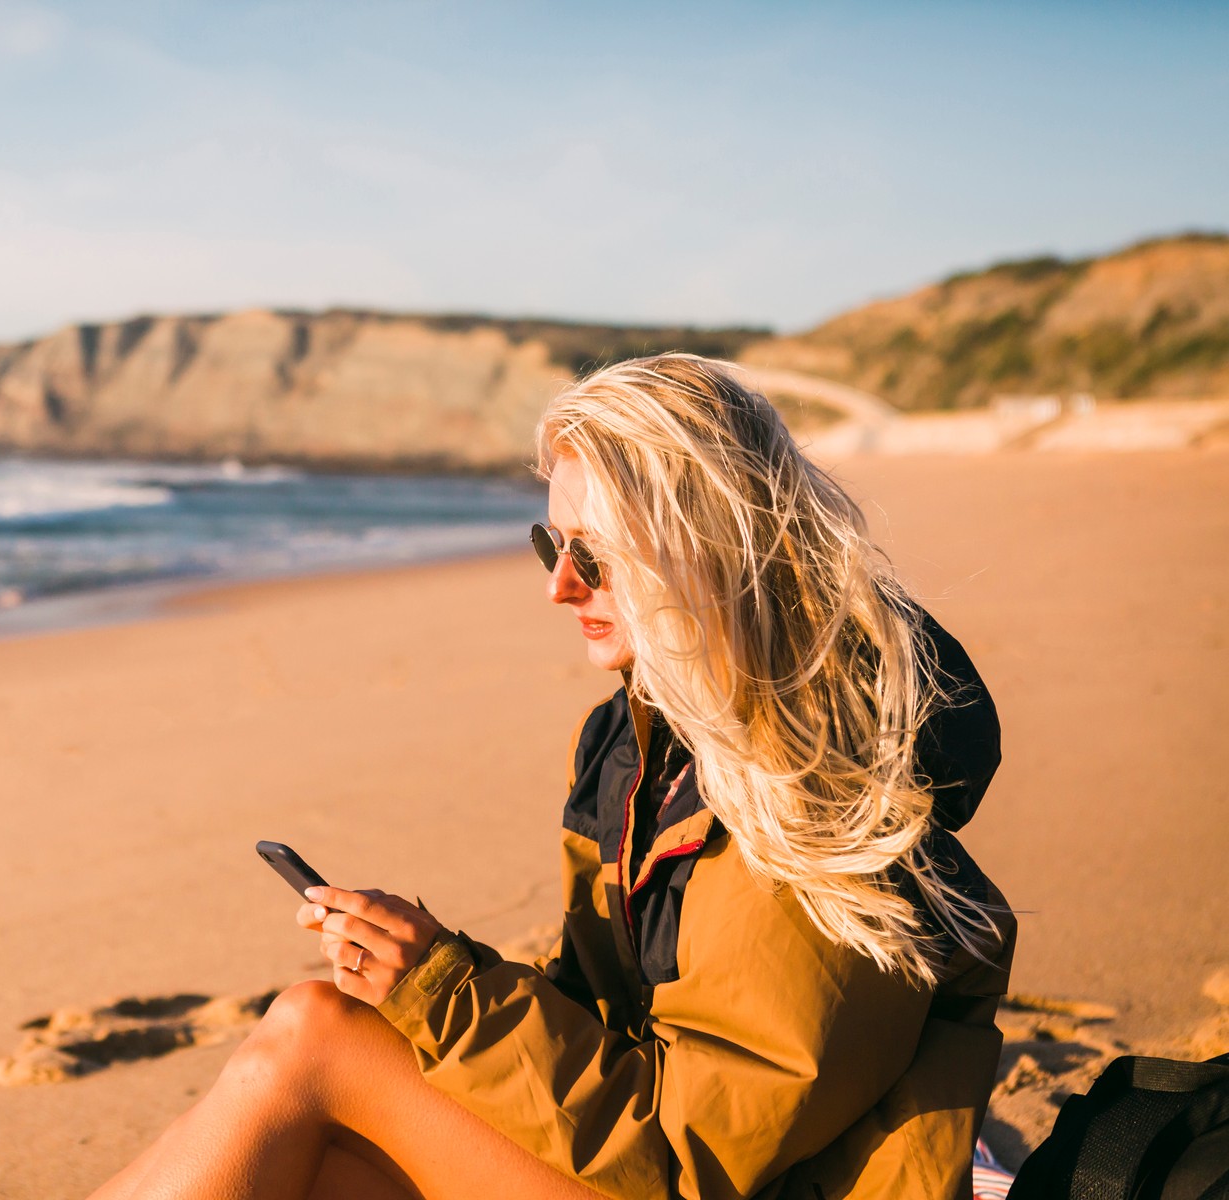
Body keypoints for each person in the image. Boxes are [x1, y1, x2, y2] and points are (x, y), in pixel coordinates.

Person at [89, 354, 1014, 1200]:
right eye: (551, 544)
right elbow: (607, 1017)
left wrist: (447, 995)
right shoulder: (638, 739)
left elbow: (701, 1154)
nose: (559, 586)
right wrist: (429, 976)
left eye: (596, 556)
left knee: (313, 1038)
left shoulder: (815, 785)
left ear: (708, 546)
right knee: (311, 1156)